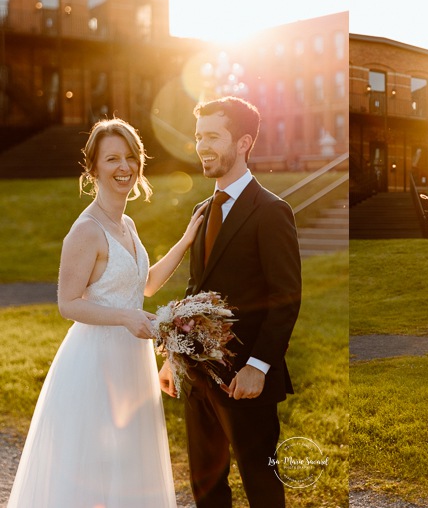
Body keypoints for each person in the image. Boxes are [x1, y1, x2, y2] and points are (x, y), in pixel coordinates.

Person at [7, 118, 206, 507]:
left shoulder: (126, 224)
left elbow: (142, 285)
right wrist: (126, 318)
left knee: (125, 469)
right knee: (92, 472)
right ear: (93, 167)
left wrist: (184, 242)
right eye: (112, 158)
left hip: (130, 362)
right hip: (94, 362)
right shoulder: (86, 230)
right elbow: (68, 303)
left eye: (130, 158)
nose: (124, 167)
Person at [159, 96, 302, 507]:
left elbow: (286, 298)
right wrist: (174, 356)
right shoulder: (202, 210)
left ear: (242, 143)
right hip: (198, 382)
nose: (202, 146)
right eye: (199, 136)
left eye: (213, 136)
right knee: (207, 488)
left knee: (262, 484)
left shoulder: (272, 211)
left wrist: (258, 366)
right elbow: (194, 292)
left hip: (246, 385)